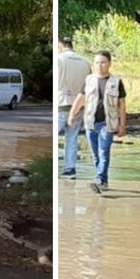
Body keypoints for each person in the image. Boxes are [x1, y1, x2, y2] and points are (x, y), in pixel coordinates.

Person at [68, 51, 126, 195]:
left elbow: (122, 106)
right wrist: (72, 114)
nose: (100, 65)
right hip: (90, 123)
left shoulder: (116, 82)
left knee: (103, 152)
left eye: (103, 62)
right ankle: (103, 180)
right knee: (96, 155)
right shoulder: (89, 80)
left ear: (109, 63)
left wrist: (122, 125)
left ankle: (100, 180)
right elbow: (81, 99)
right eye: (97, 62)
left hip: (108, 123)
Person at [57, 37, 92, 179]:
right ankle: (69, 169)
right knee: (72, 137)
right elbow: (89, 86)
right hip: (79, 105)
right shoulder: (86, 62)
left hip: (62, 103)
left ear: (60, 46)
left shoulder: (59, 60)